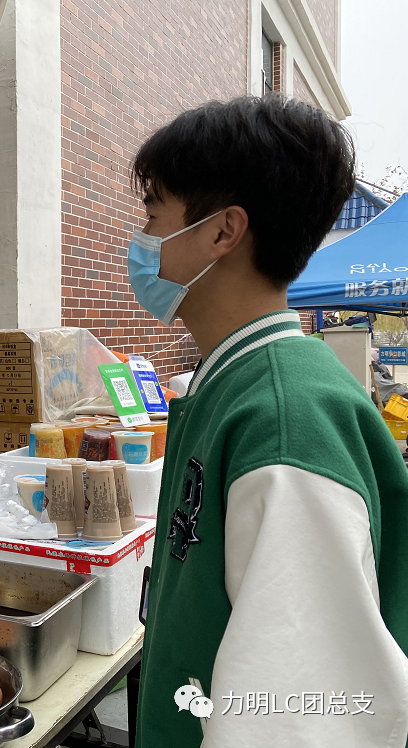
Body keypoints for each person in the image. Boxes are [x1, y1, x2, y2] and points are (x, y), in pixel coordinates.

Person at [128, 95, 408, 746]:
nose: (139, 243)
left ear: (223, 232)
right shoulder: (234, 382)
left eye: (151, 216)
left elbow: (301, 723)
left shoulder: (283, 423)